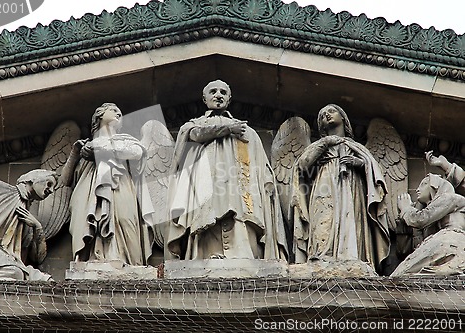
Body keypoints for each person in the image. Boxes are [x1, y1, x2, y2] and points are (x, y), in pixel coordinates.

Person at [167, 80, 288, 260]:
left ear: (229, 99)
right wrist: (228, 129)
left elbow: (261, 163)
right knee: (208, 214)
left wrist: (267, 184)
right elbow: (196, 135)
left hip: (239, 187)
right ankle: (206, 255)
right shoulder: (193, 125)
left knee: (240, 214)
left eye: (223, 92)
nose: (218, 95)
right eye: (213, 91)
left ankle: (243, 255)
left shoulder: (248, 131)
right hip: (205, 184)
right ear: (204, 98)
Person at [294, 104, 389, 272]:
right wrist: (325, 143)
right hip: (324, 185)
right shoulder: (321, 145)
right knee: (324, 219)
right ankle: (321, 257)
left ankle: (352, 258)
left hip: (351, 187)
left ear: (343, 118)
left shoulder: (358, 148)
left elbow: (375, 174)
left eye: (331, 111)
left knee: (350, 219)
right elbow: (303, 166)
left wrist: (359, 164)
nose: (327, 116)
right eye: (322, 115)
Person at [62, 103, 154, 265]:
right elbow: (64, 181)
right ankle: (94, 257)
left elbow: (137, 152)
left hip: (120, 186)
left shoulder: (125, 141)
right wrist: (75, 153)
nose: (119, 114)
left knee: (125, 220)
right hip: (89, 190)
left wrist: (99, 150)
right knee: (91, 223)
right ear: (99, 116)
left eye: (120, 112)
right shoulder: (85, 147)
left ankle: (127, 261)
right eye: (113, 110)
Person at [0, 169, 56, 280]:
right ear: (32, 179)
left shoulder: (27, 215)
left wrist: (37, 227)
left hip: (4, 258)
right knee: (15, 273)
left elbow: (38, 258)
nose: (51, 190)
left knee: (34, 277)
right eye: (49, 184)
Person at [392, 174, 465, 276]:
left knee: (399, 274)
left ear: (435, 186)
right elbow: (404, 251)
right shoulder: (432, 222)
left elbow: (419, 219)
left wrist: (406, 208)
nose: (417, 189)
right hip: (441, 243)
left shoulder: (449, 197)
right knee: (401, 274)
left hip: (449, 240)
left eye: (424, 184)